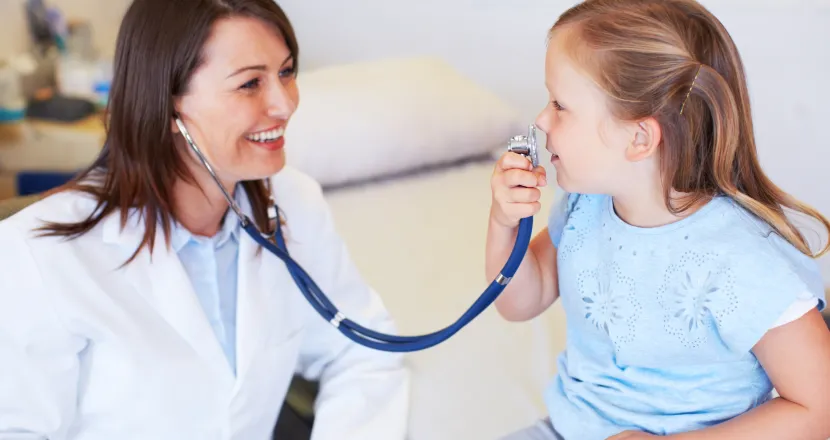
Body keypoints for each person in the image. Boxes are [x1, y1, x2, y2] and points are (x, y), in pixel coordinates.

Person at [0, 0, 409, 438]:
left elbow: (363, 351)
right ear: (169, 106)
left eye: (286, 73)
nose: (284, 104)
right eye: (250, 83)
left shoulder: (295, 202)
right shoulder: (37, 254)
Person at [485, 1, 830, 439]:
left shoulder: (743, 262)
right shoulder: (584, 206)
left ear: (640, 138)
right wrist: (505, 224)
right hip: (574, 428)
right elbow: (518, 302)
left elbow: (818, 410)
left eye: (560, 104)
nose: (540, 119)